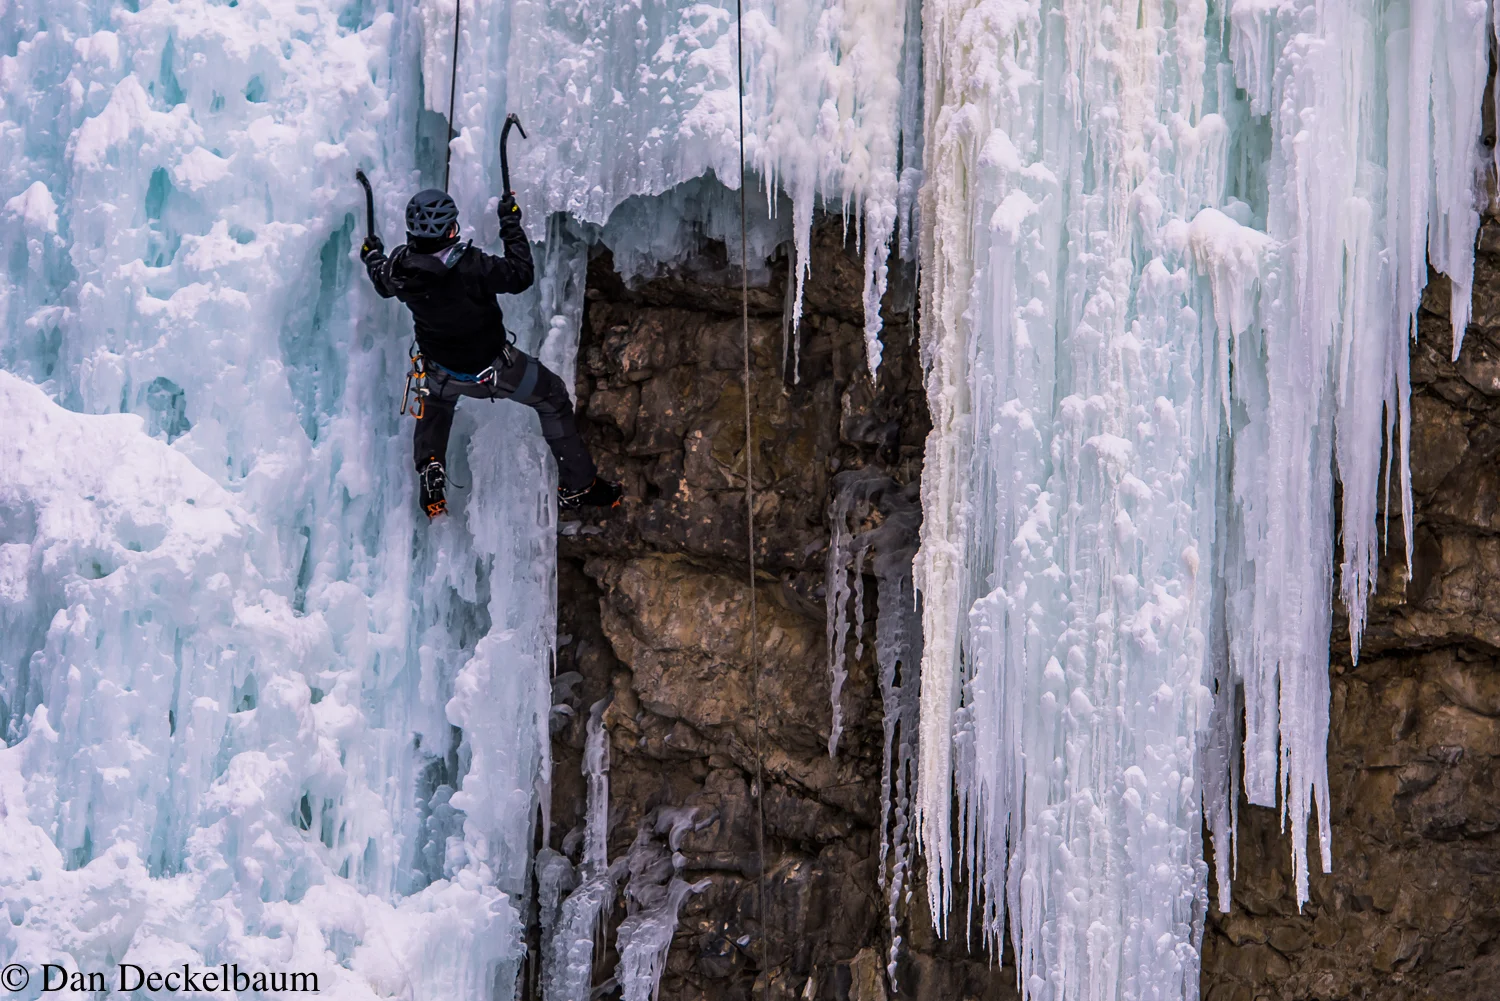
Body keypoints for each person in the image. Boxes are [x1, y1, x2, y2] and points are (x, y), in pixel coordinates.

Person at [359, 188, 621, 519]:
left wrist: (372, 255)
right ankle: (579, 486)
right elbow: (521, 273)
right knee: (552, 397)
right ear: (452, 230)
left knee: (436, 403)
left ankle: (431, 465)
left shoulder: (398, 270)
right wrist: (510, 221)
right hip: (498, 371)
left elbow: (380, 279)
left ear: (411, 232)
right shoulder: (472, 266)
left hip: (441, 373)